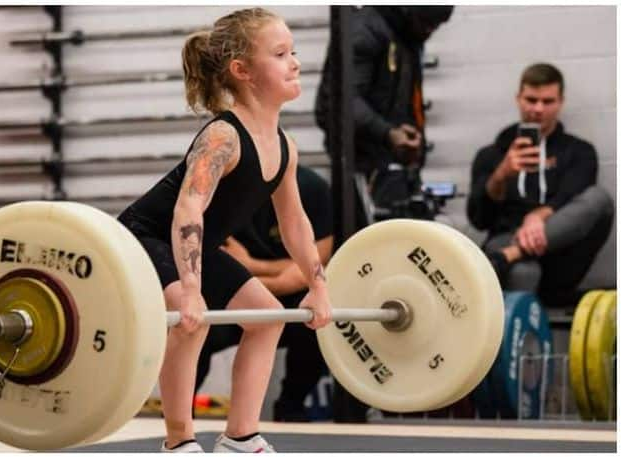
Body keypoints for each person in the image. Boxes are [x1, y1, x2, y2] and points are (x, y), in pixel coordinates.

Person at [117, 8, 332, 453]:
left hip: (192, 243)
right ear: (242, 71)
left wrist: (318, 286)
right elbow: (188, 209)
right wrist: (192, 289)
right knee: (190, 323)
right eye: (280, 53)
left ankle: (240, 437)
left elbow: (295, 222)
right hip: (145, 237)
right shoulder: (222, 137)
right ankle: (179, 443)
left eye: (293, 51)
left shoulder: (283, 146)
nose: (294, 61)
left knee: (268, 318)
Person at [194, 165, 333, 423]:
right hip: (231, 294)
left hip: (280, 296)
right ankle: (179, 420)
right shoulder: (219, 189)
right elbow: (213, 263)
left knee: (317, 323)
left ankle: (290, 408)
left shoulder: (311, 189)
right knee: (193, 327)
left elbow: (312, 267)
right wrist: (277, 275)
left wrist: (251, 266)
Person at [467, 63, 614, 304]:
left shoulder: (579, 151)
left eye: (547, 101)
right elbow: (479, 220)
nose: (538, 109)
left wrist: (537, 217)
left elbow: (573, 198)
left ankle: (511, 253)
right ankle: (513, 257)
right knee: (524, 272)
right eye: (531, 100)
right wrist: (501, 175)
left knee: (599, 199)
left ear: (560, 102)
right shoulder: (491, 154)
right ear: (518, 99)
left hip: (559, 253)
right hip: (509, 246)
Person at [314, 6, 454, 214]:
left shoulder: (403, 33)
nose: (430, 31)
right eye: (426, 23)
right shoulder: (366, 30)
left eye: (435, 25)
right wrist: (389, 133)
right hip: (365, 172)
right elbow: (341, 104)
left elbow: (400, 102)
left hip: (390, 170)